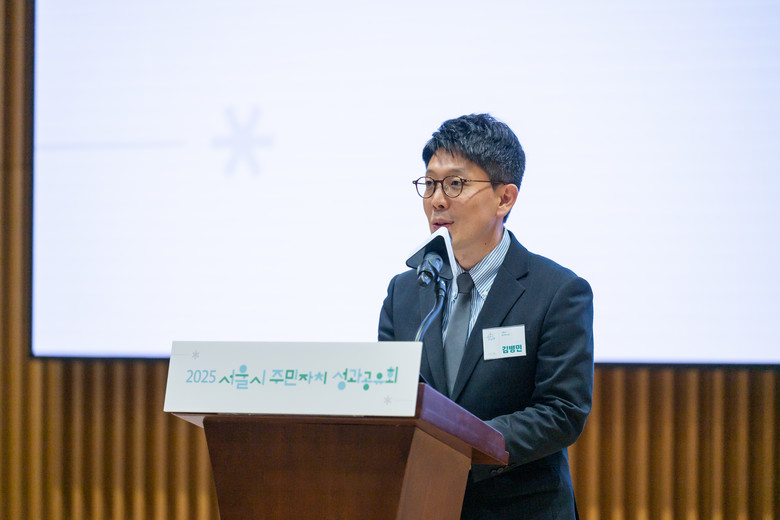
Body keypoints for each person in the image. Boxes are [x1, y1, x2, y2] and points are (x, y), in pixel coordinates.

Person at [378, 113, 594, 520]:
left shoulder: (557, 291)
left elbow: (562, 411)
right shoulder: (405, 292)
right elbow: (391, 397)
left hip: (519, 508)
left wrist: (465, 445)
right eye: (430, 184)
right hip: (424, 504)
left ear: (504, 198)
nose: (437, 200)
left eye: (456, 184)